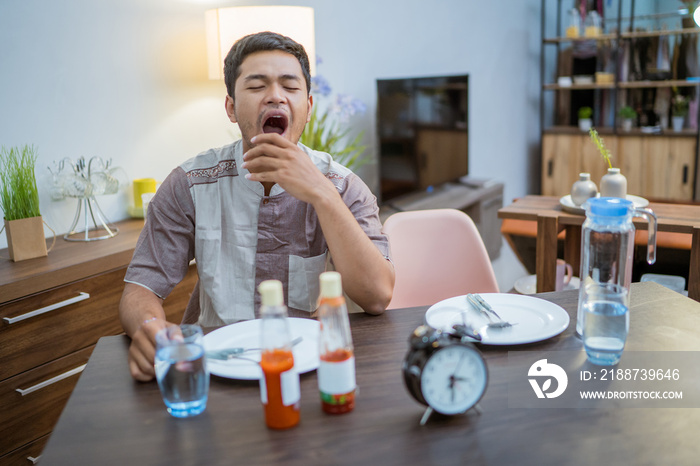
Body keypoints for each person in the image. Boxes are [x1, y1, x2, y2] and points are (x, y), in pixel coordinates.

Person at [119, 31, 395, 382]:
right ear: (231, 107)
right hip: (215, 368)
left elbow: (377, 296)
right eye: (256, 86)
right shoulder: (190, 184)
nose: (275, 97)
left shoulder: (343, 186)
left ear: (308, 107)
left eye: (289, 86)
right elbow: (141, 286)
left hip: (307, 369)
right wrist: (150, 327)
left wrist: (322, 194)